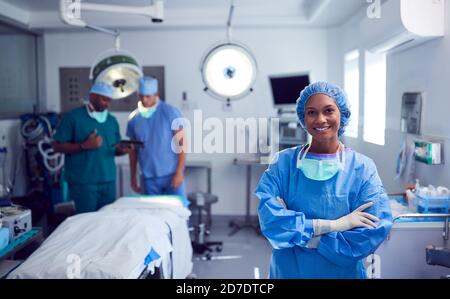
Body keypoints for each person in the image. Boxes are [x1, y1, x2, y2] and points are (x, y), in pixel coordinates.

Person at [255, 81, 392, 279]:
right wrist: (336, 225)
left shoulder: (362, 169)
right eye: (311, 112)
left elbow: (369, 235)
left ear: (341, 114)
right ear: (303, 117)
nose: (320, 119)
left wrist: (301, 233)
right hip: (289, 272)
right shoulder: (283, 164)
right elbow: (272, 223)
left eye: (328, 110)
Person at [53, 82, 132, 214]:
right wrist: (83, 145)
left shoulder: (111, 120)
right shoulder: (73, 117)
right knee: (85, 223)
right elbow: (57, 146)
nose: (107, 104)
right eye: (104, 99)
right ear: (92, 96)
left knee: (107, 221)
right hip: (83, 182)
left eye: (109, 100)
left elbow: (114, 148)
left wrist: (123, 150)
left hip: (108, 180)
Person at [126, 76, 187, 204]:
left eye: (148, 96)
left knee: (178, 213)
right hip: (148, 177)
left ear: (156, 95)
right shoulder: (134, 118)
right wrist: (133, 177)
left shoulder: (170, 112)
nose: (144, 100)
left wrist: (179, 172)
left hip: (171, 174)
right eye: (141, 96)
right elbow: (133, 152)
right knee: (152, 217)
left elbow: (182, 144)